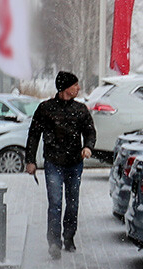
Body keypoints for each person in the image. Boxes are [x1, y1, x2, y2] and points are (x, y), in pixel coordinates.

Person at [25, 70, 97, 258]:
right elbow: (34, 135)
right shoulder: (46, 109)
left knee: (72, 203)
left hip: (74, 163)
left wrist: (88, 147)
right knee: (55, 203)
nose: (78, 88)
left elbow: (90, 131)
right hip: (53, 163)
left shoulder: (80, 110)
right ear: (65, 88)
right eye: (75, 85)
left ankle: (69, 237)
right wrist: (30, 160)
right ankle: (54, 243)